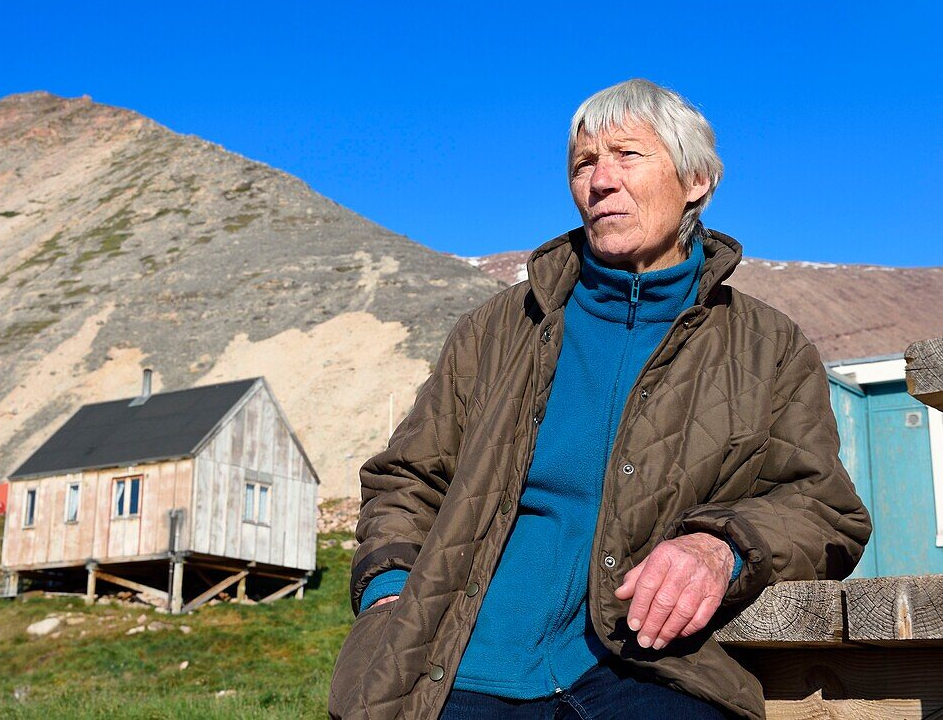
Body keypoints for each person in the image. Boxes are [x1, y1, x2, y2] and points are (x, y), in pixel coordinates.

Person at [328, 79, 871, 720]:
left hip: (657, 668)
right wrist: (390, 595)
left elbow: (821, 506)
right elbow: (406, 479)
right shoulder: (499, 329)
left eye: (627, 156)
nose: (600, 180)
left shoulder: (767, 345)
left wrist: (721, 547)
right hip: (468, 664)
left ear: (695, 179)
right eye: (584, 163)